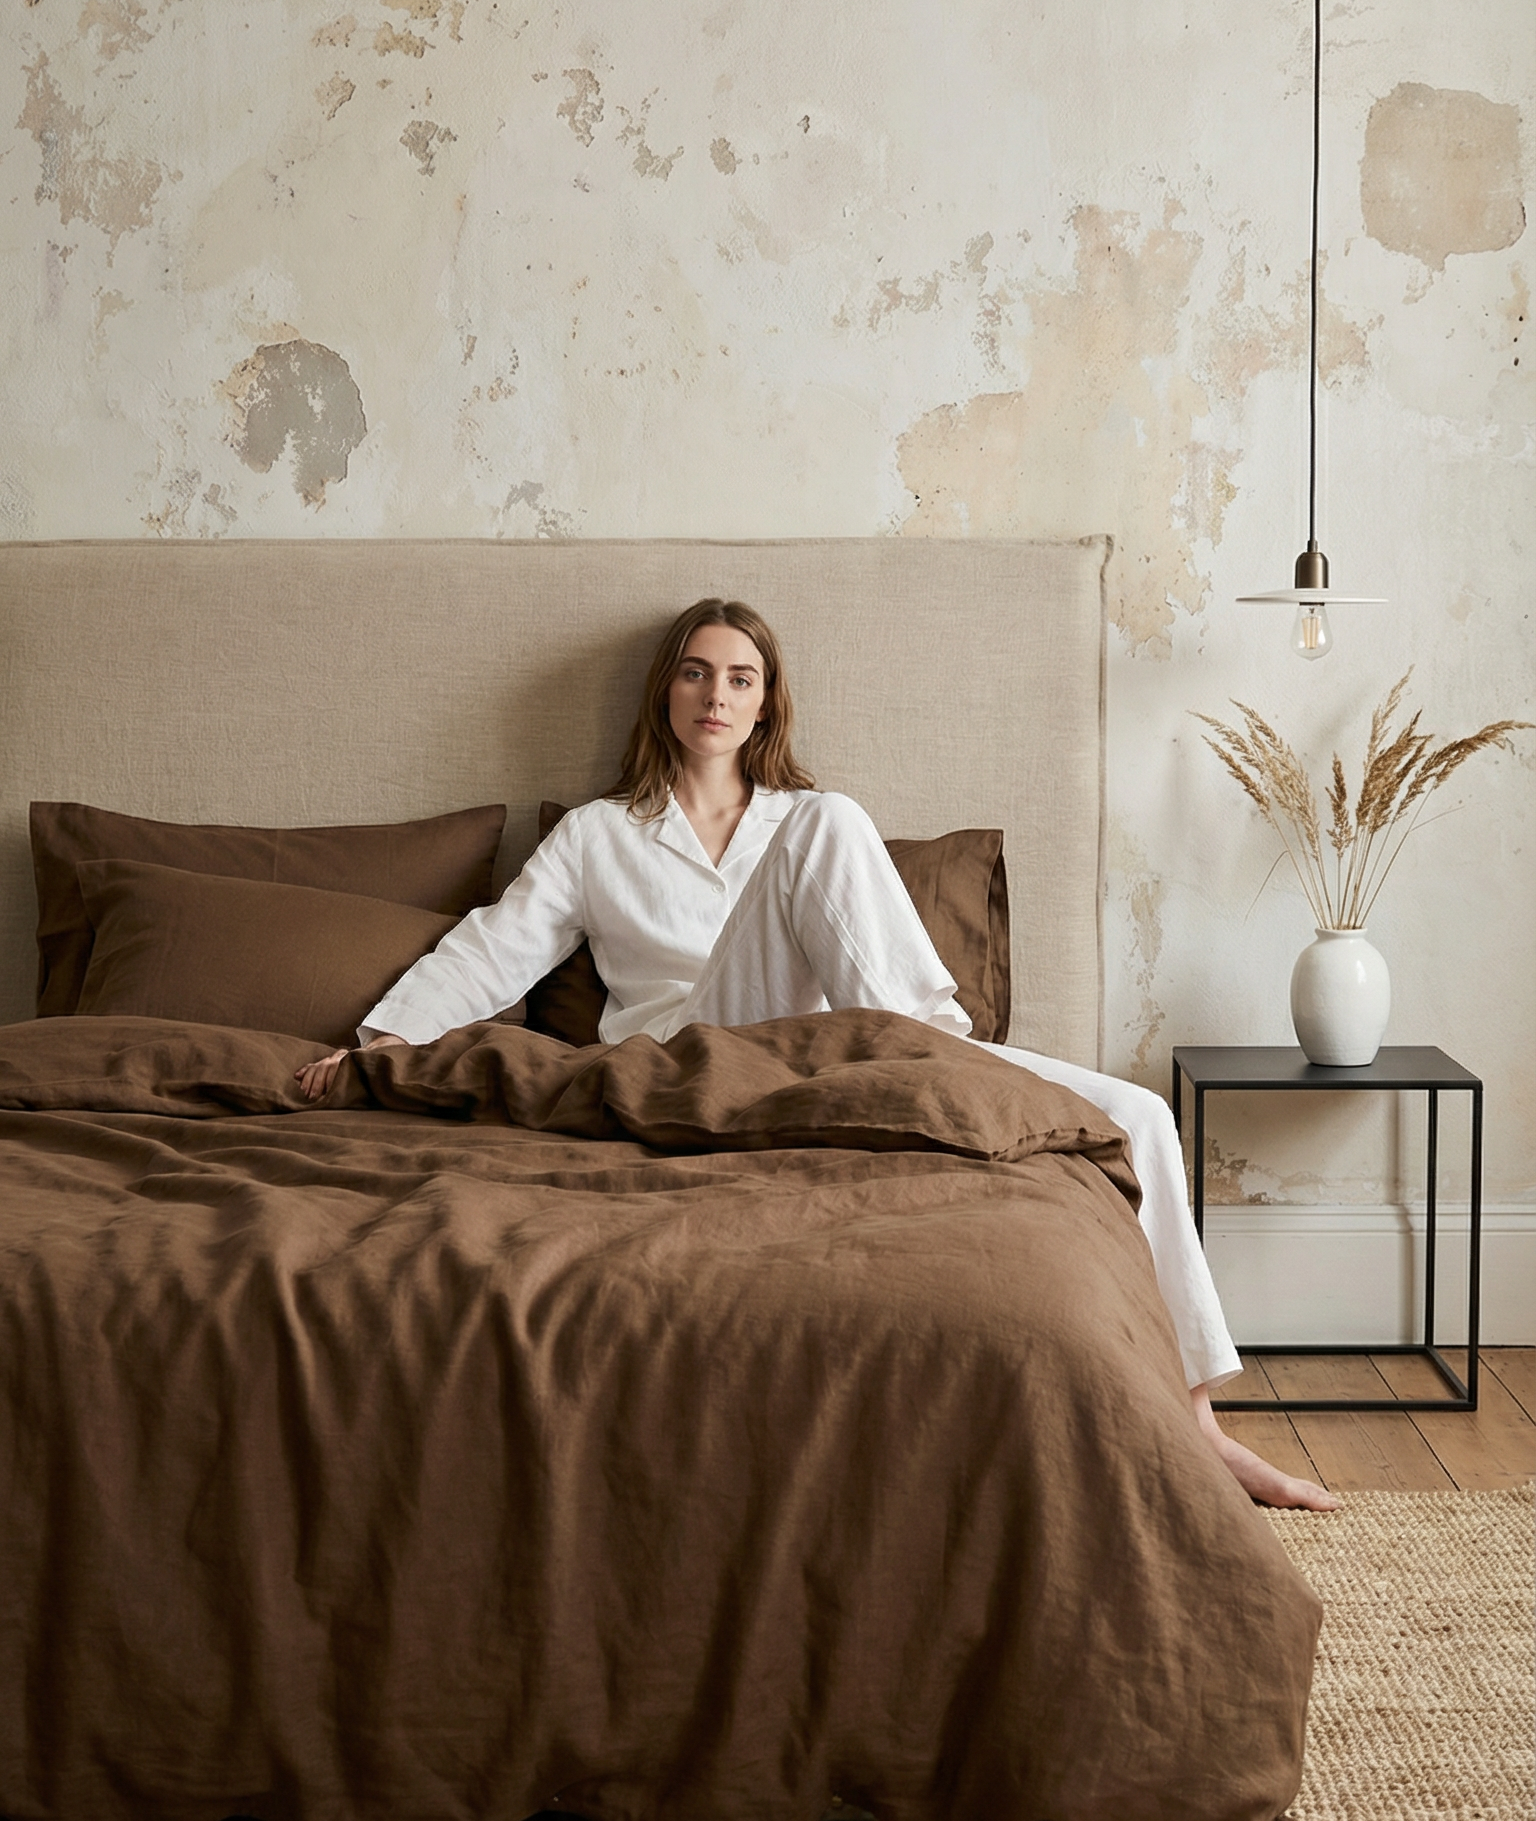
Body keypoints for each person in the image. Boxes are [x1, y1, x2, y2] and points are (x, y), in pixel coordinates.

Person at [297, 597, 1339, 1513]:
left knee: (1142, 1115)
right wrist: (384, 1040)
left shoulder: (795, 825)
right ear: (667, 692)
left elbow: (822, 884)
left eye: (741, 678)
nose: (717, 693)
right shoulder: (602, 836)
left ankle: (1199, 1423)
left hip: (828, 1056)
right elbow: (496, 946)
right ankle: (935, 1048)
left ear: (766, 704)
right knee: (835, 823)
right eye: (698, 672)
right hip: (688, 1059)